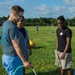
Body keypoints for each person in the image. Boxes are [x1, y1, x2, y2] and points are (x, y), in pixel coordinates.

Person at [1, 5, 31, 75]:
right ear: (14, 14)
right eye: (20, 16)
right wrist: (24, 61)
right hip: (13, 59)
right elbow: (16, 46)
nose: (20, 18)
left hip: (5, 57)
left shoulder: (5, 24)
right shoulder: (13, 27)